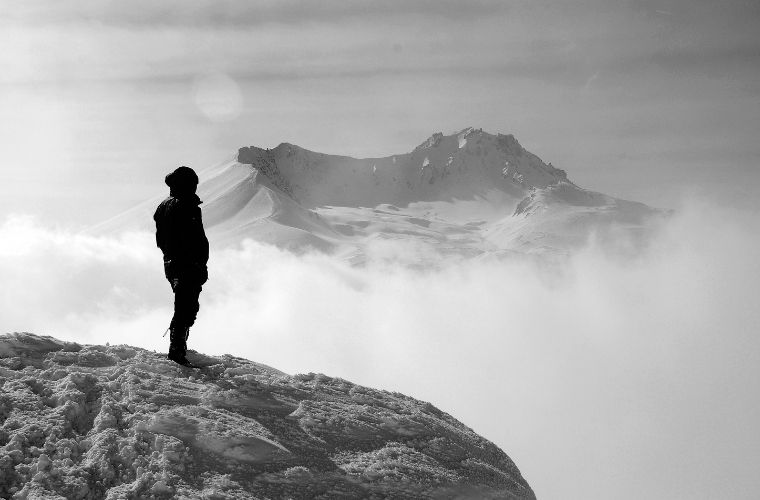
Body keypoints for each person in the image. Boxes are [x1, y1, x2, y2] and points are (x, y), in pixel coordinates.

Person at [153, 166, 209, 366]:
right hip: (186, 264)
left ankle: (178, 347)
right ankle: (177, 350)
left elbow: (162, 240)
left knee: (185, 306)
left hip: (175, 263)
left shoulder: (164, 206)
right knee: (186, 307)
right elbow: (192, 238)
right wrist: (195, 262)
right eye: (193, 183)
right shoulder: (184, 205)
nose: (195, 187)